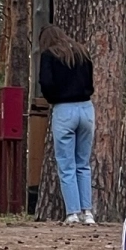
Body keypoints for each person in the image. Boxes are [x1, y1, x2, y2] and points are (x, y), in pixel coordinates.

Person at [38, 24, 97, 226]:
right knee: (83, 164)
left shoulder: (49, 55)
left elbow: (45, 82)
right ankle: (88, 212)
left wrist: (53, 97)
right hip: (86, 109)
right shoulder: (82, 52)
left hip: (64, 110)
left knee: (66, 165)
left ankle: (73, 212)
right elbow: (90, 81)